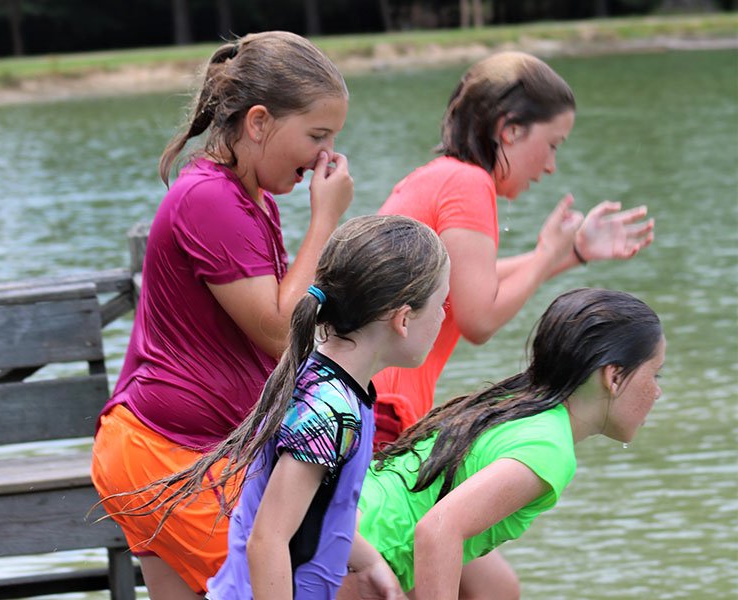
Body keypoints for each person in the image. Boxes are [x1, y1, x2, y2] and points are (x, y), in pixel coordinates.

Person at [90, 31, 353, 599]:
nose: (326, 157)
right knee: (292, 583)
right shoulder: (211, 199)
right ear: (258, 122)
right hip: (167, 450)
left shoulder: (251, 199)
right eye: (316, 135)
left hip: (180, 451)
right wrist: (325, 220)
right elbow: (282, 332)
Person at [114, 214, 450, 600]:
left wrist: (370, 561)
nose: (443, 316)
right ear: (403, 319)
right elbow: (268, 539)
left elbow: (319, 511)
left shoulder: (330, 383)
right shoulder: (330, 413)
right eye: (442, 303)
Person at [371, 51, 656, 447]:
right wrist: (545, 253)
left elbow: (472, 283)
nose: (552, 165)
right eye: (553, 144)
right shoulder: (469, 184)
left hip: (369, 398)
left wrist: (570, 253)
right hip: (382, 407)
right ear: (510, 130)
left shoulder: (440, 176)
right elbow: (479, 318)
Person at [339, 287, 665, 600]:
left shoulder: (512, 404)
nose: (657, 392)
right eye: (655, 375)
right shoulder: (549, 449)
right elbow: (438, 530)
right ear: (614, 377)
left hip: (342, 530)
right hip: (354, 559)